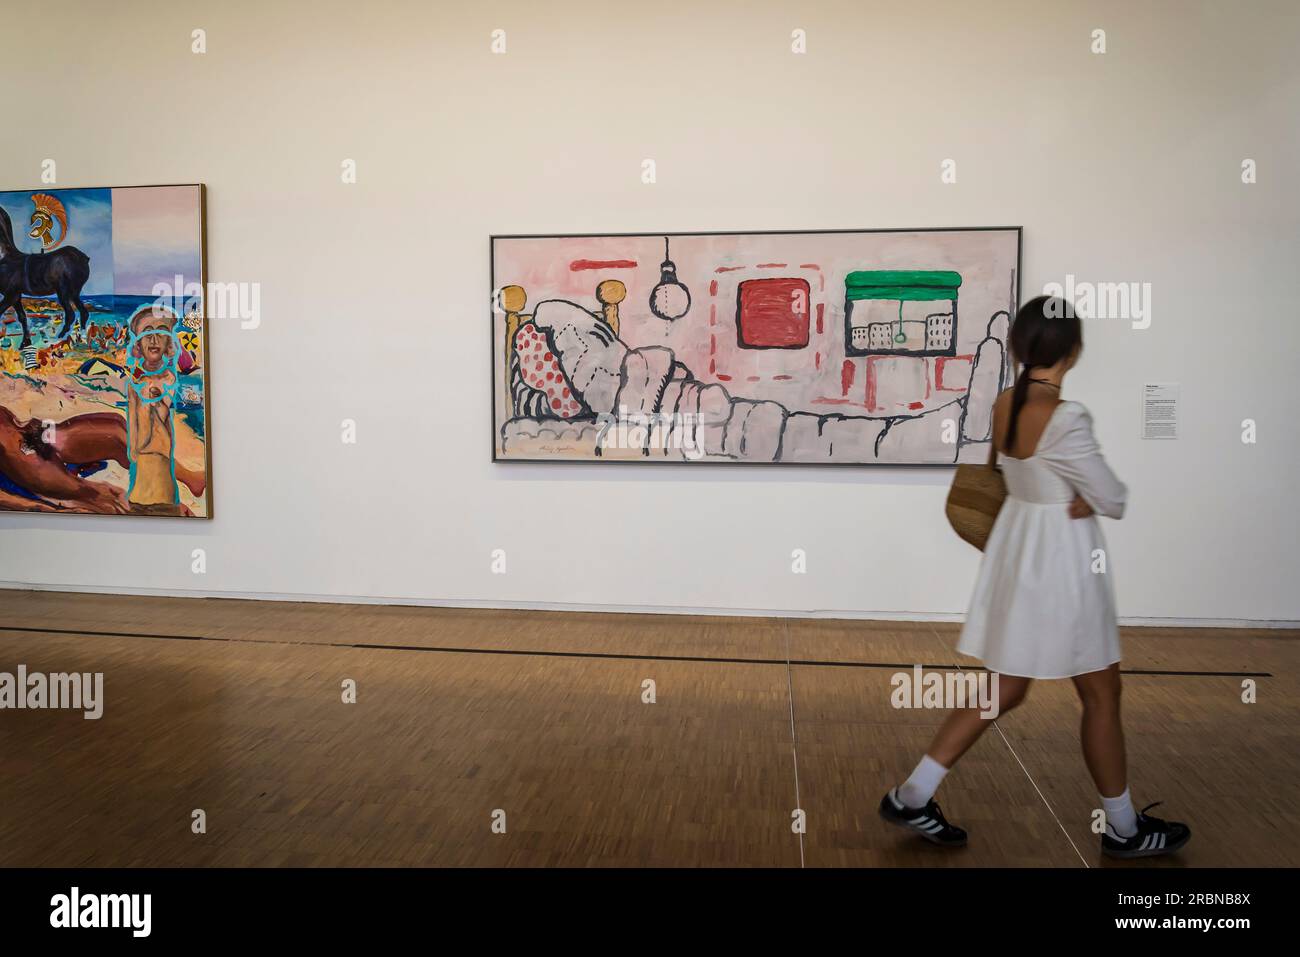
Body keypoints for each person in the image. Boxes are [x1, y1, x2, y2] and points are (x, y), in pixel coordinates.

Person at [879, 296, 1191, 859]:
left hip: (1019, 554)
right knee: (1100, 692)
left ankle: (912, 793)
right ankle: (1122, 828)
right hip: (1063, 564)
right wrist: (1085, 499)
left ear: (1023, 347)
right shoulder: (1068, 416)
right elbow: (1113, 497)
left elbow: (1031, 474)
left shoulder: (1005, 402)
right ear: (1072, 350)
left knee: (1005, 686)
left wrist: (1071, 493)